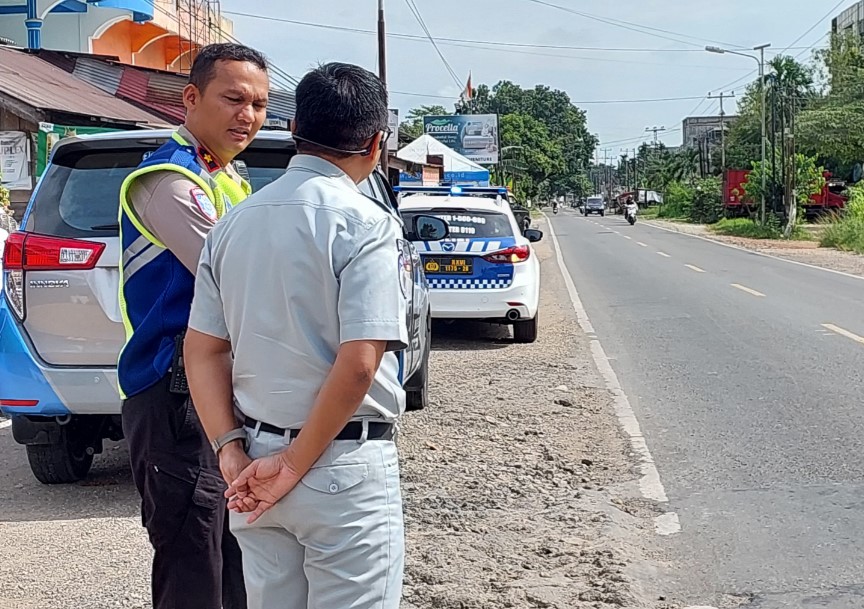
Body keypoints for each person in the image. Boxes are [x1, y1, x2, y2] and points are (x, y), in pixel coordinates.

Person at [184, 62, 406, 609]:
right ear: (376, 143)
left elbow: (203, 349)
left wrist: (230, 451)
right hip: (339, 465)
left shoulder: (234, 222)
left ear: (292, 129)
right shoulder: (367, 224)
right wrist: (294, 464)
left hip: (253, 461)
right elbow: (358, 362)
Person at [117, 42, 269, 609]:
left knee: (236, 554)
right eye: (233, 99)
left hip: (219, 390)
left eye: (258, 104)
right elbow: (240, 282)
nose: (247, 116)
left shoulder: (228, 178)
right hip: (173, 390)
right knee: (193, 559)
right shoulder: (170, 179)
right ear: (191, 97)